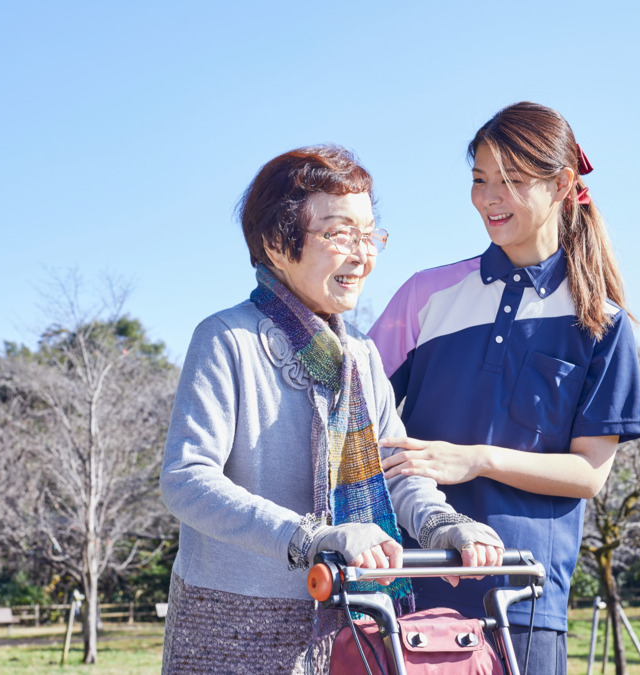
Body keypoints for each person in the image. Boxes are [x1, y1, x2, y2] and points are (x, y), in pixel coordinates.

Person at [159, 145, 503, 674]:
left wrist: (443, 525)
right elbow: (186, 479)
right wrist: (313, 538)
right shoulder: (227, 339)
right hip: (229, 629)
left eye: (369, 236)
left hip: (349, 624)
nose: (362, 254)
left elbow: (397, 469)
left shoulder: (360, 357)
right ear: (277, 243)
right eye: (340, 234)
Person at [369, 102, 640, 675]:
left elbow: (589, 475)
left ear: (563, 184)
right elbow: (349, 410)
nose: (490, 197)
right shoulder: (426, 295)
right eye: (480, 180)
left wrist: (475, 460)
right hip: (413, 584)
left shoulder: (601, 321)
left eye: (513, 181)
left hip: (524, 596)